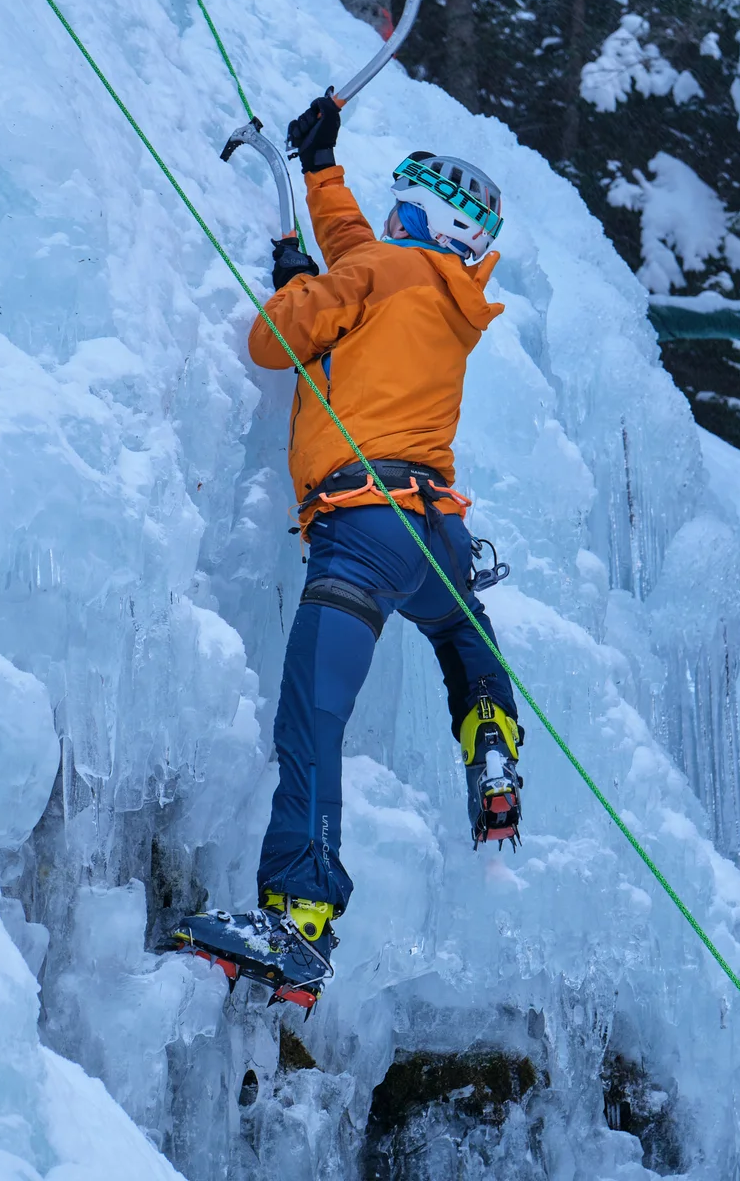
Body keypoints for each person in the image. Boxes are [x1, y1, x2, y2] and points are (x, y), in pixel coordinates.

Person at [171, 97, 523, 1009]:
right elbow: (358, 249)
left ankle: (298, 917)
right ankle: (493, 747)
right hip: (435, 533)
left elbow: (273, 338)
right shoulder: (444, 294)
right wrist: (319, 170)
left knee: (311, 720)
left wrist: (298, 286)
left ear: (420, 220)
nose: (390, 217)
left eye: (401, 207)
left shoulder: (377, 269)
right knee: (459, 637)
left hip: (363, 528)